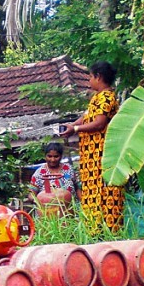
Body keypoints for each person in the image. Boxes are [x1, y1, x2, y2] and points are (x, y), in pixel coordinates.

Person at [61, 61, 124, 232]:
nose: (89, 80)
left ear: (98, 77)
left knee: (105, 193)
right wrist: (72, 126)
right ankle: (94, 230)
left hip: (101, 155)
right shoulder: (97, 97)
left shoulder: (107, 97)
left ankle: (109, 231)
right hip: (90, 157)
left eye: (90, 76)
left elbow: (98, 123)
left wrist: (75, 129)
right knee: (92, 193)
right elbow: (87, 116)